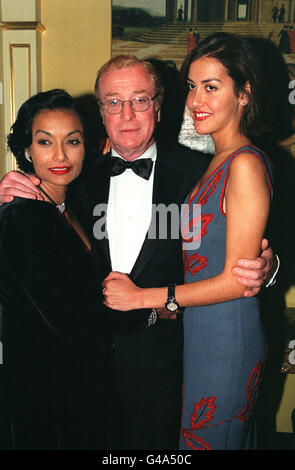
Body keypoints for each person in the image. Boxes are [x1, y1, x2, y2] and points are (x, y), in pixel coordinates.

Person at [0, 56, 275, 450]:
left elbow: (244, 246)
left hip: (166, 372)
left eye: (140, 100)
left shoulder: (200, 172)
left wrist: (271, 266)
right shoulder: (72, 174)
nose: (127, 114)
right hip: (81, 375)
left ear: (159, 107)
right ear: (100, 113)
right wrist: (8, 188)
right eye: (113, 102)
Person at [102, 34, 274, 450]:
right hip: (193, 338)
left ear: (245, 93)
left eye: (212, 87)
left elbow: (239, 278)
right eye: (193, 86)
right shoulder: (214, 160)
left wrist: (144, 297)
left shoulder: (244, 164)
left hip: (223, 337)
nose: (197, 99)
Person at [0, 89, 114, 449]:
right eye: (45, 142)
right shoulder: (22, 217)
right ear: (27, 150)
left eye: (73, 141)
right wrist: (154, 311)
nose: (61, 155)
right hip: (37, 396)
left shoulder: (71, 204)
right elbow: (71, 317)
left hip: (74, 385)